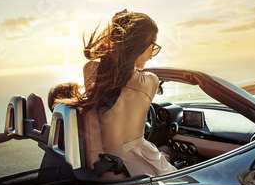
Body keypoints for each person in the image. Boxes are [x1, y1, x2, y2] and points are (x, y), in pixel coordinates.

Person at [54, 9, 176, 176]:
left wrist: (118, 26)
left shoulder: (91, 69)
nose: (151, 56)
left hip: (109, 161)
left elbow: (114, 75)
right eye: (153, 48)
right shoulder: (151, 81)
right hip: (143, 157)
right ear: (140, 45)